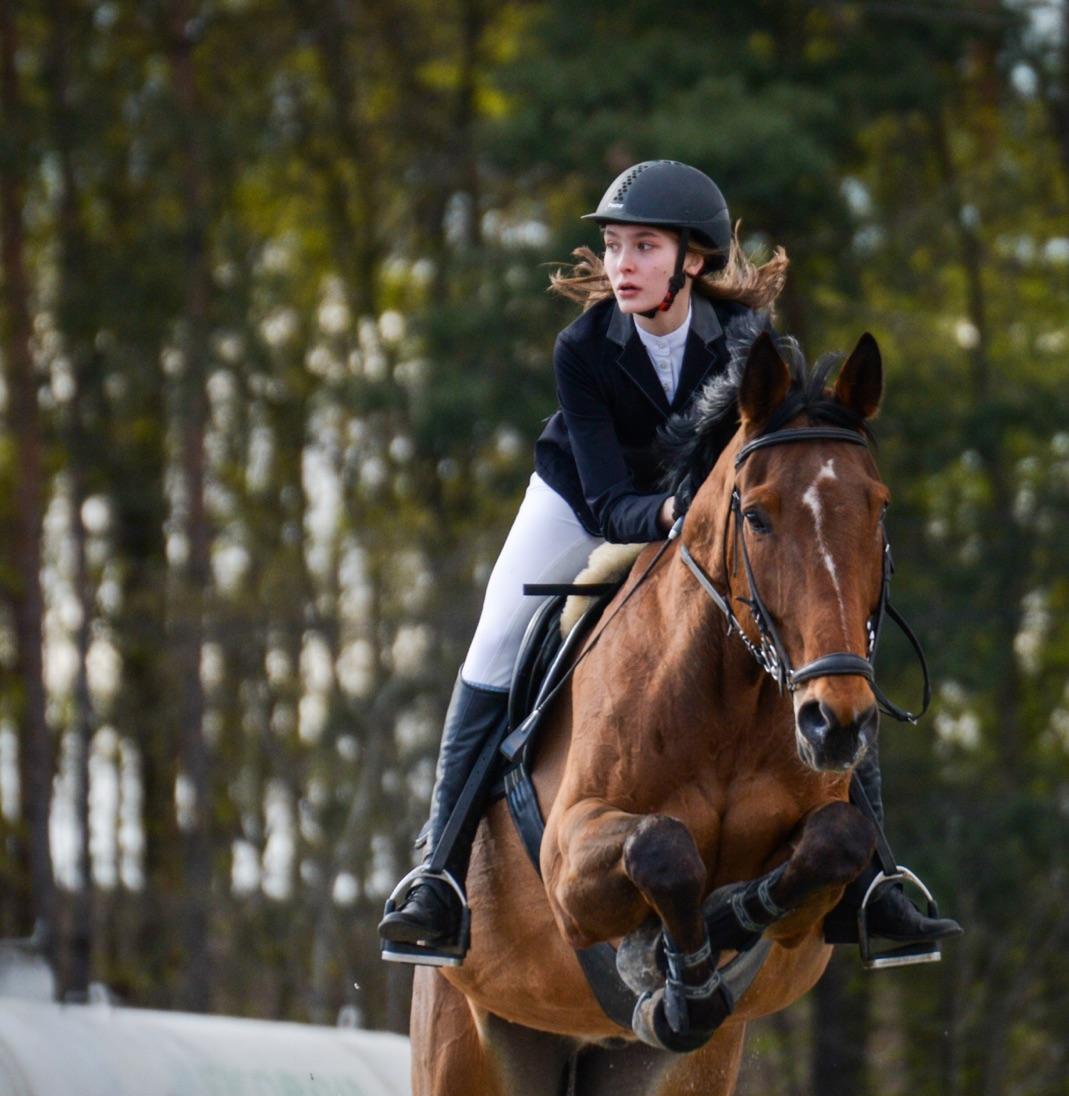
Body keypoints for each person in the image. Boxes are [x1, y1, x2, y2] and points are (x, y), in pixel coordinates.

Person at [379, 160, 960, 967]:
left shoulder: (749, 341)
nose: (620, 265)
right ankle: (436, 875)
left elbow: (772, 466)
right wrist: (666, 517)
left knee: (826, 648)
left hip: (715, 511)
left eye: (641, 248)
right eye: (614, 247)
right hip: (588, 502)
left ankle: (874, 881)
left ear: (692, 260)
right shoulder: (582, 349)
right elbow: (609, 493)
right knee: (498, 631)